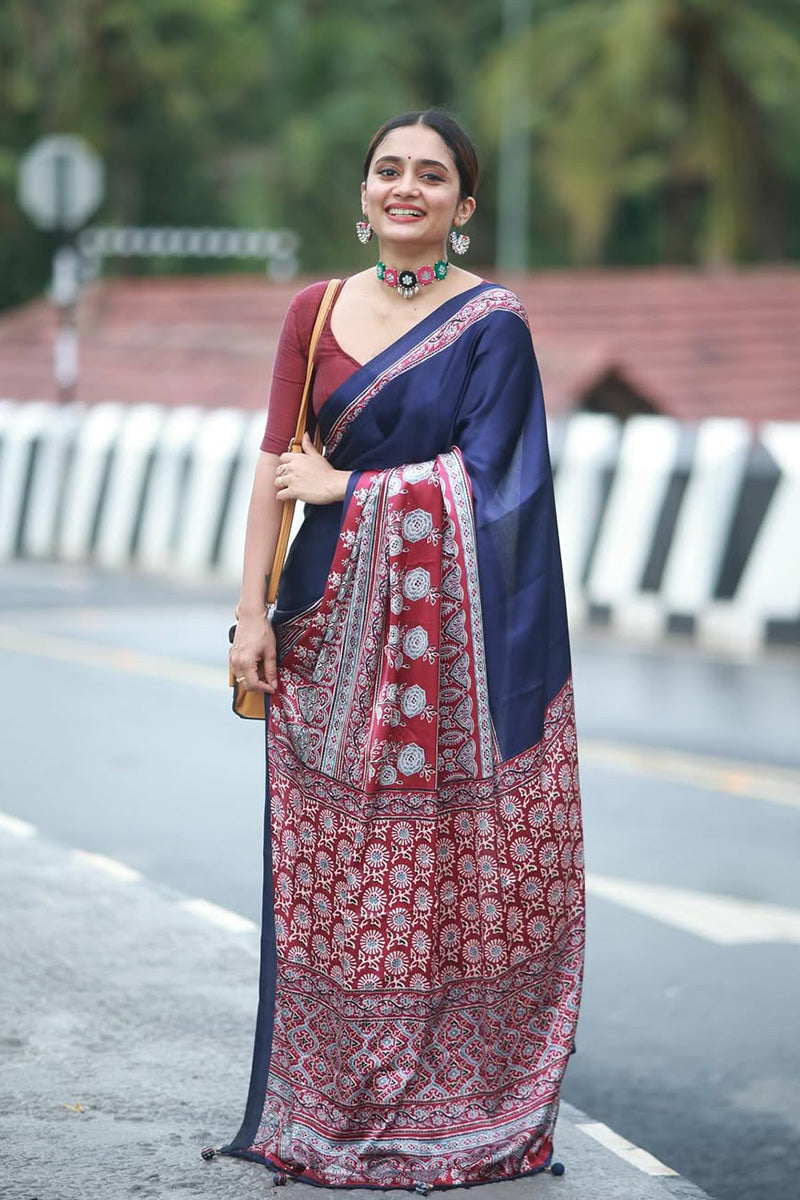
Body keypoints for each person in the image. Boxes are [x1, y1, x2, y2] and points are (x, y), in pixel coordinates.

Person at [219, 109, 584, 1190]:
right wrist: (249, 615)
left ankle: (458, 1107)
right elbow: (274, 464)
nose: (405, 188)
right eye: (388, 170)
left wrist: (356, 489)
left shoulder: (490, 326)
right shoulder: (314, 309)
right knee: (339, 878)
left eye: (431, 176)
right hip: (325, 627)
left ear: (463, 209)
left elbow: (504, 492)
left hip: (456, 658)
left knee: (448, 873)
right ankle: (333, 1101)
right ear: (364, 191)